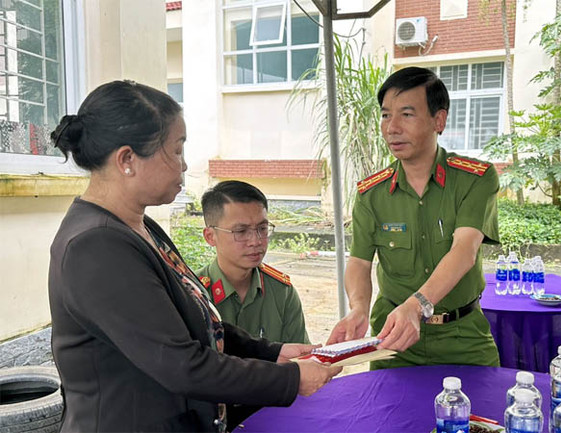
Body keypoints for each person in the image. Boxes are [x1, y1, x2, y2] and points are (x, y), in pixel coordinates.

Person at [48, 80, 340, 432]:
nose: (184, 166)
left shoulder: (137, 226)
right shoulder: (96, 245)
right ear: (127, 160)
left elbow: (193, 320)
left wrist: (270, 352)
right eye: (176, 150)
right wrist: (290, 380)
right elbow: (180, 363)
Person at [326, 67, 501, 369]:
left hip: (462, 337)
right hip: (393, 341)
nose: (392, 127)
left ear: (439, 120)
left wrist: (417, 305)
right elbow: (359, 262)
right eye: (385, 115)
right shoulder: (372, 194)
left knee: (483, 414)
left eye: (406, 114)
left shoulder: (475, 179)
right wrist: (358, 309)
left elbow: (465, 250)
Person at [197, 180, 310, 344]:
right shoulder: (195, 294)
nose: (255, 241)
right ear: (210, 236)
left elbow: (301, 359)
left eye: (262, 229)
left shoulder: (281, 291)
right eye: (241, 231)